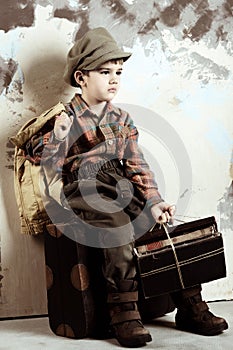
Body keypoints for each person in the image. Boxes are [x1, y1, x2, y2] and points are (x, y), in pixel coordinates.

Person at [26, 27, 228, 347]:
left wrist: (154, 201)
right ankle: (123, 313)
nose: (114, 79)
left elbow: (137, 165)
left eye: (118, 72)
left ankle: (190, 304)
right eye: (105, 72)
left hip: (120, 184)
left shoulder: (122, 118)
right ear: (81, 77)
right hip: (84, 188)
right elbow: (37, 153)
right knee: (118, 229)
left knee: (162, 227)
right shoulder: (66, 117)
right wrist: (58, 135)